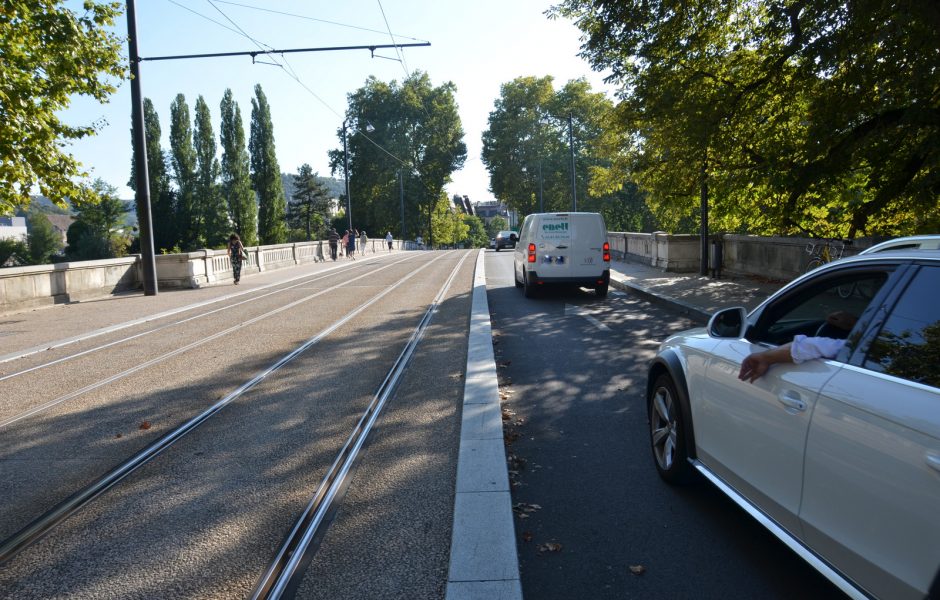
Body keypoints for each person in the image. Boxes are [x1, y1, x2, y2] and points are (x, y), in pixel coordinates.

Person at [738, 311, 857, 383]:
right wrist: (856, 324)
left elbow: (813, 346)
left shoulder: (854, 347)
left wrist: (766, 357)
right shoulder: (874, 345)